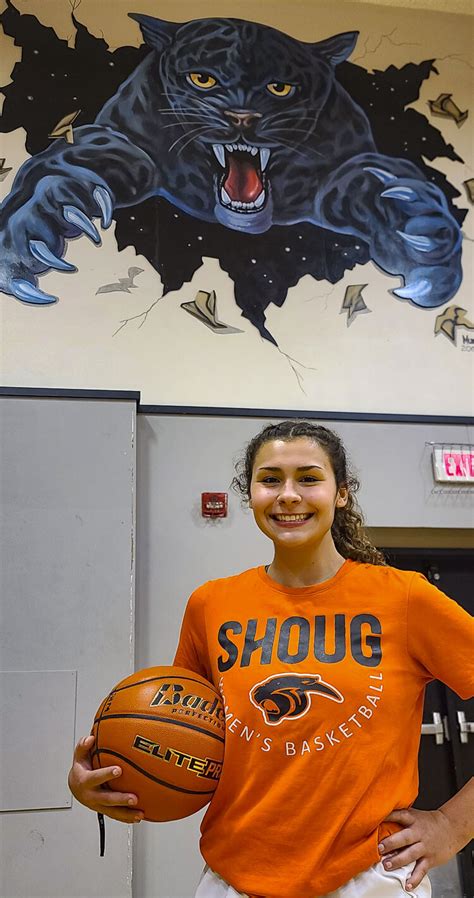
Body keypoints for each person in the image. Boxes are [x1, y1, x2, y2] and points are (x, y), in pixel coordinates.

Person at [69, 421, 474, 898]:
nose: (287, 495)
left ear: (341, 493)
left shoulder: (404, 598)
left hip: (367, 877)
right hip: (233, 877)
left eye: (308, 478)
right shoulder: (211, 604)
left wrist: (452, 824)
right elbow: (183, 731)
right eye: (270, 480)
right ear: (250, 494)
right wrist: (104, 778)